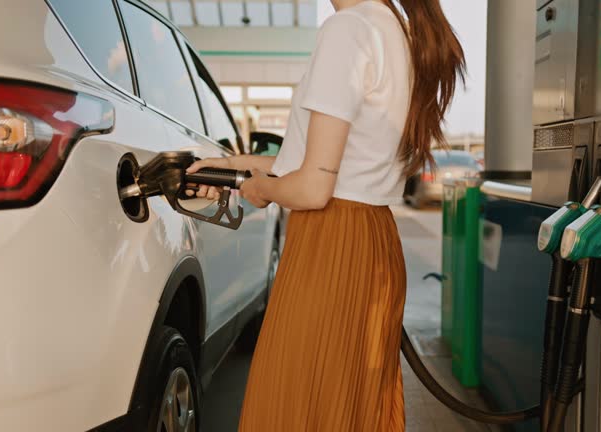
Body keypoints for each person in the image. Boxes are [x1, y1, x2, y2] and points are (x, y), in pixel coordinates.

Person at [187, 0, 465, 429]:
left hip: (330, 244)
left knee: (296, 407)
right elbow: (327, 163)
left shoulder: (348, 30)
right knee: (345, 408)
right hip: (372, 238)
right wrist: (234, 167)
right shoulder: (395, 30)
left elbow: (312, 189)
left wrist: (258, 189)